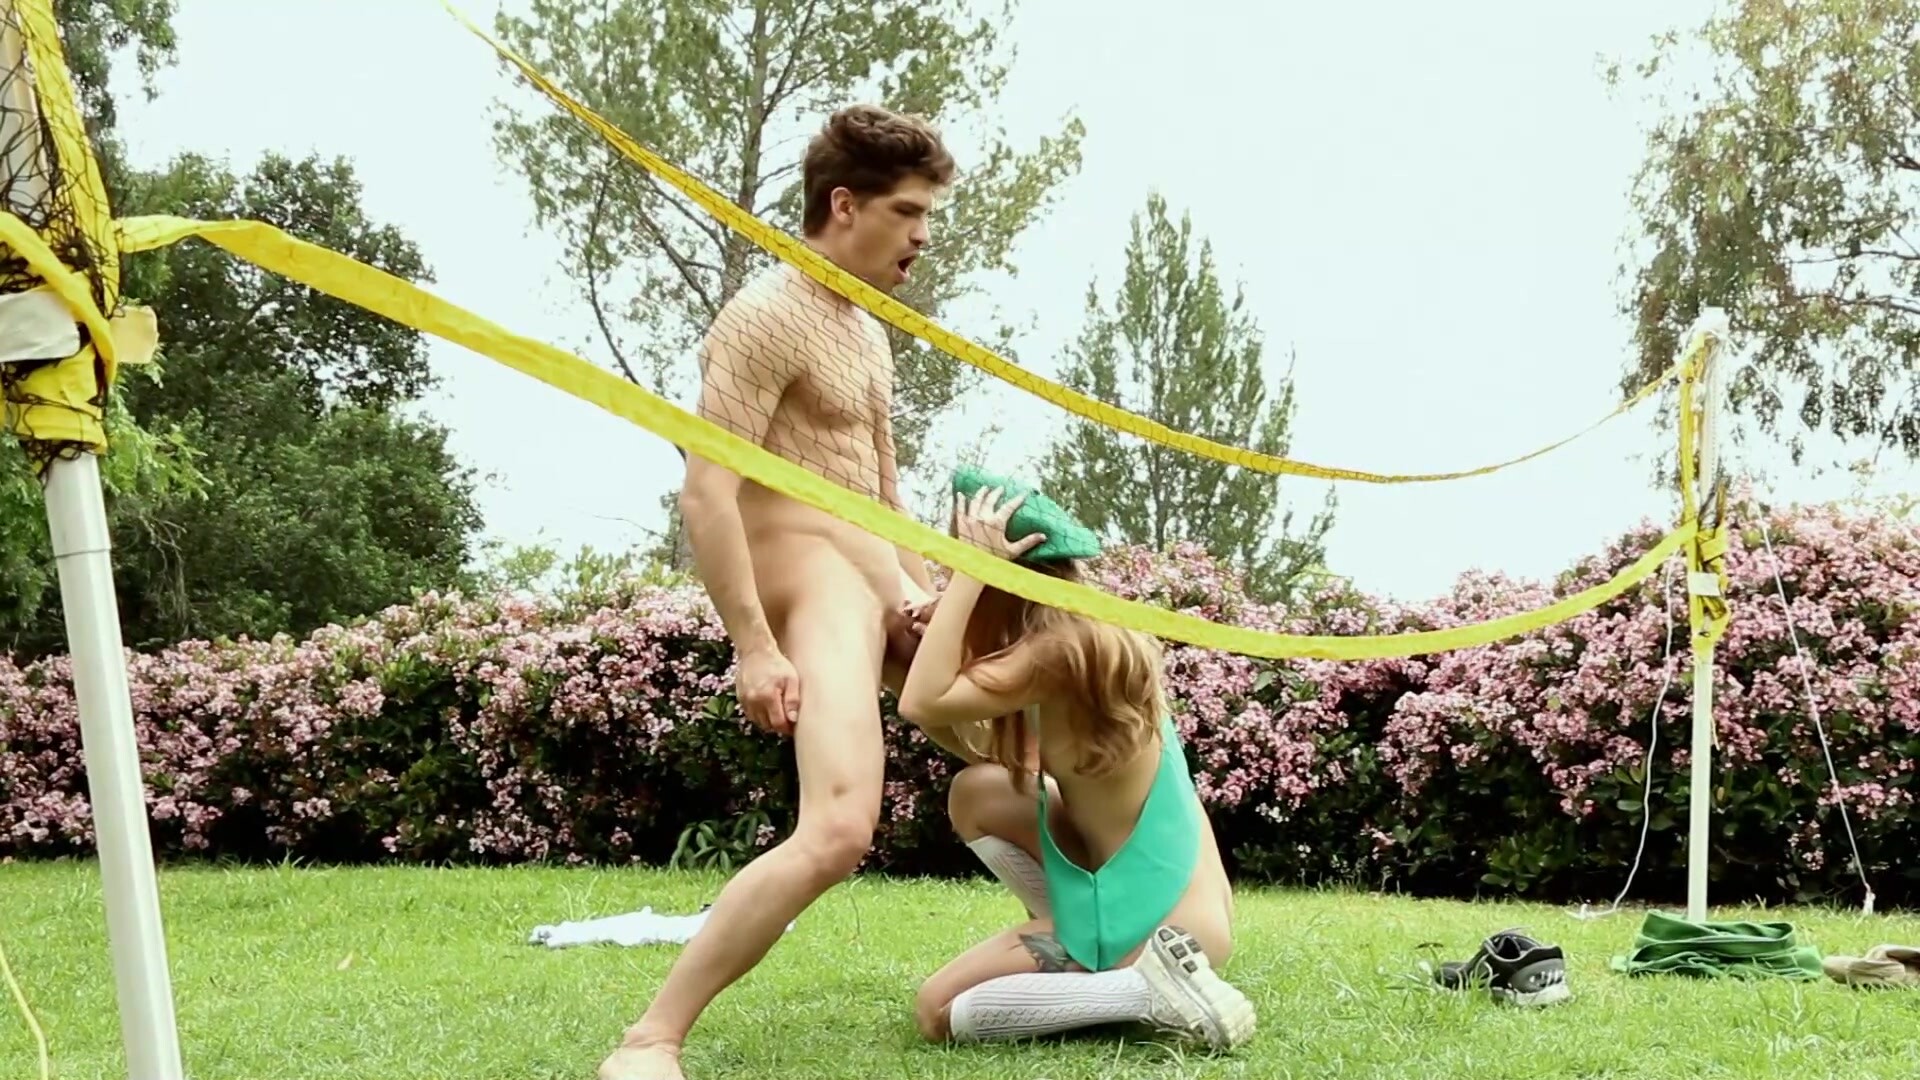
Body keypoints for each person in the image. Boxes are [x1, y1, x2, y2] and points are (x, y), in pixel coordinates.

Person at [597, 103, 953, 1080]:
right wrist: (755, 646)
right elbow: (707, 492)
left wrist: (929, 599)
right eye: (909, 212)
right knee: (837, 829)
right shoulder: (763, 316)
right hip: (814, 584)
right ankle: (650, 1040)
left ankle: (1094, 951)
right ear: (844, 205)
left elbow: (885, 492)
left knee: (1027, 740)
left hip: (881, 579)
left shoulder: (867, 331)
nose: (923, 237)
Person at [896, 476, 1257, 1052]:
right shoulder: (1086, 635)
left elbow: (922, 702)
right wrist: (953, 617)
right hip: (1192, 910)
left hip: (1157, 926)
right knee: (978, 791)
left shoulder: (1057, 653)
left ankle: (1144, 991)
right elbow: (989, 751)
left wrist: (970, 575)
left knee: (937, 1011)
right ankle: (1098, 952)